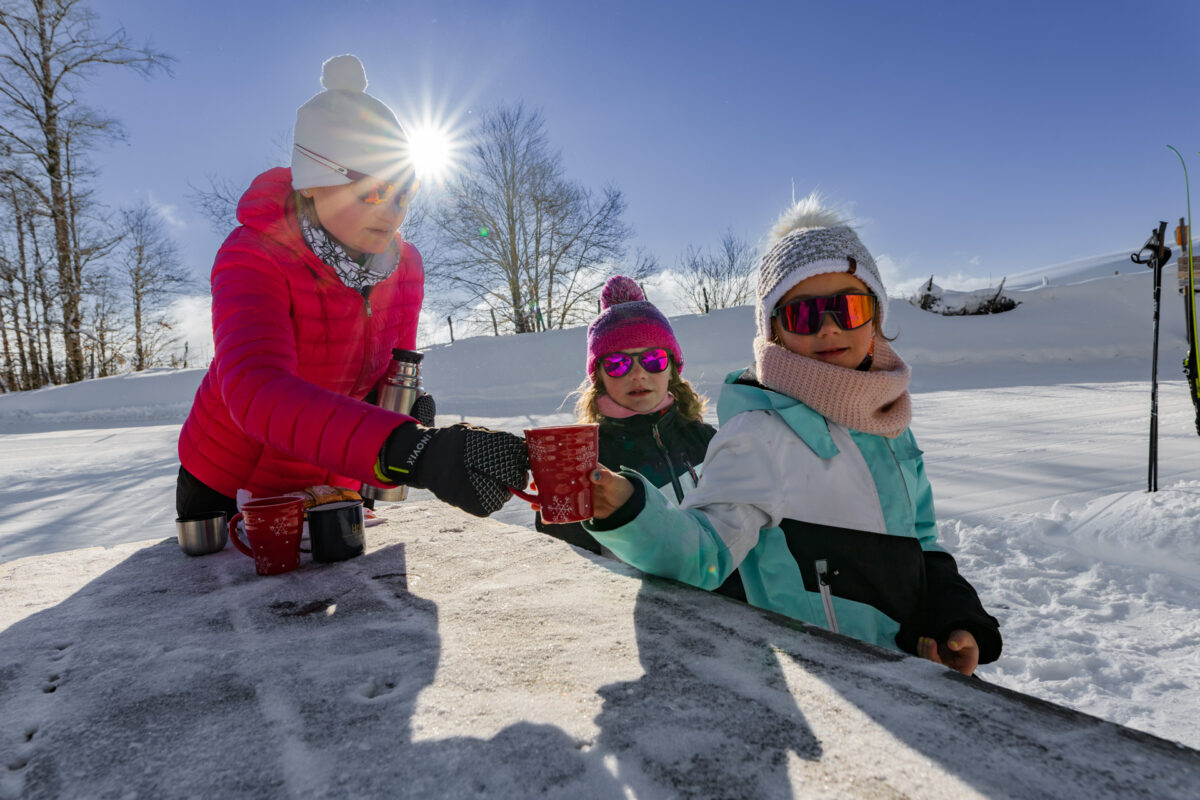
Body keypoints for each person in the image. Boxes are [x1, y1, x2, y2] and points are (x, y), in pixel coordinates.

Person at [586, 196, 1002, 675]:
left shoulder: (890, 427)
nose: (828, 327)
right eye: (804, 315)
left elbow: (923, 544)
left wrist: (956, 617)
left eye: (848, 307)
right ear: (775, 331)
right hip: (827, 686)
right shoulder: (759, 436)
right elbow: (704, 557)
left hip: (910, 675)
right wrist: (630, 510)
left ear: (876, 319)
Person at [176, 54, 527, 521]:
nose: (393, 211)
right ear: (313, 184)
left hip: (336, 473)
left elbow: (391, 366)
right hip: (232, 477)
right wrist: (412, 450)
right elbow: (256, 389)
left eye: (405, 191)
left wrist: (403, 409)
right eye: (375, 191)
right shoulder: (254, 254)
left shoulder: (405, 266)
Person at [534, 276, 716, 554]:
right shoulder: (589, 458)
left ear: (672, 369)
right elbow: (569, 558)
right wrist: (559, 507)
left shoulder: (706, 440)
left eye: (654, 359)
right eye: (618, 364)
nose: (639, 373)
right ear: (599, 378)